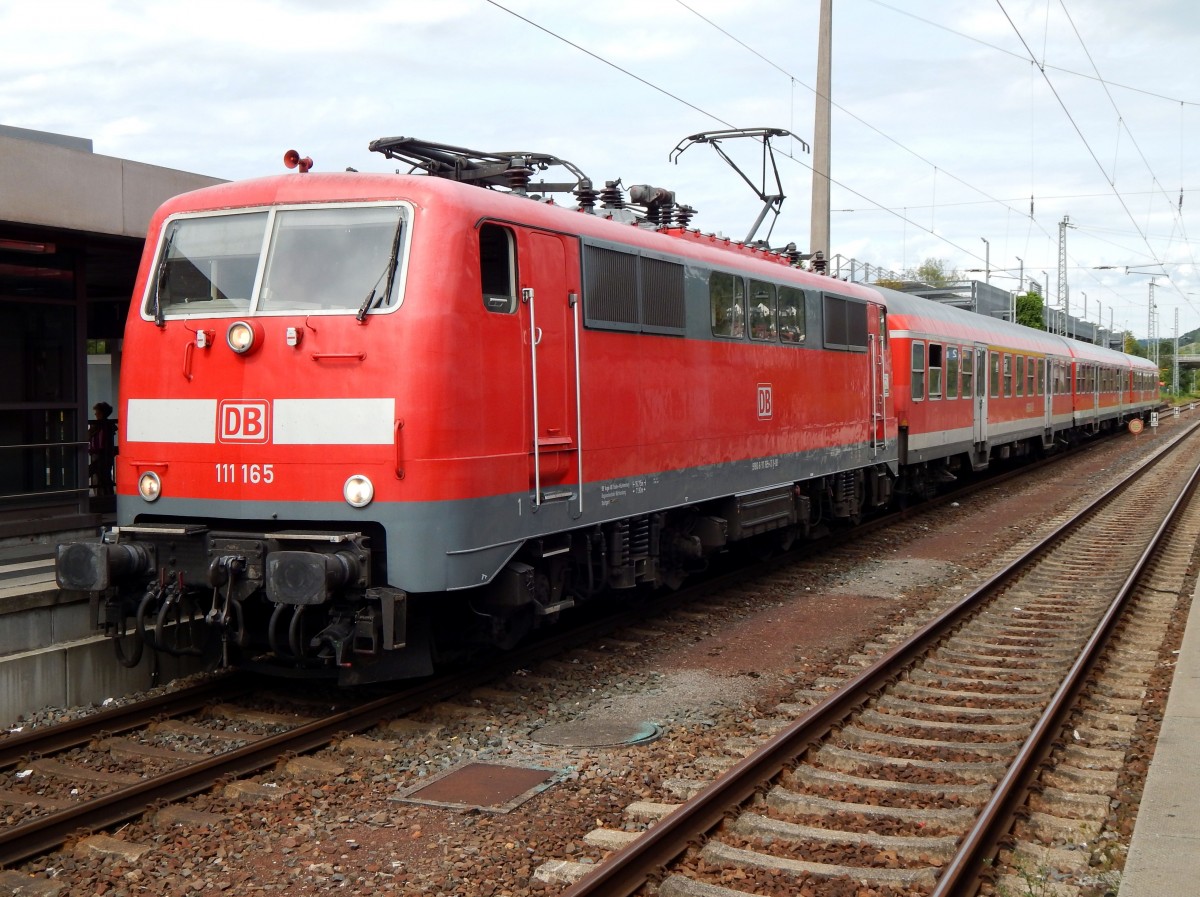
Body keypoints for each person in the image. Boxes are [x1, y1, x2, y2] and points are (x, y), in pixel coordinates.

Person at [88, 401, 117, 496]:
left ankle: (106, 497)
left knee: (102, 476)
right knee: (103, 477)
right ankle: (107, 497)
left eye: (98, 412)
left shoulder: (102, 426)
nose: (95, 414)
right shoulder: (106, 425)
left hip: (102, 455)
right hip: (101, 455)